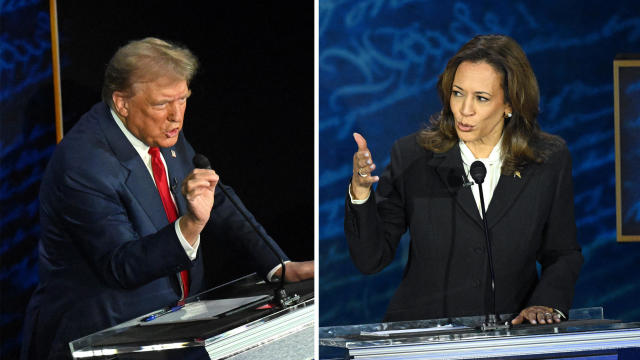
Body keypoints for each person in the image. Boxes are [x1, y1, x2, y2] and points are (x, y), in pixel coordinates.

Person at [21, 37, 313, 359]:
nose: (176, 116)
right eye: (162, 104)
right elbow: (121, 265)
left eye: (183, 99)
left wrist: (279, 267)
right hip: (104, 341)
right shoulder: (83, 164)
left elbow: (212, 196)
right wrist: (189, 225)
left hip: (177, 331)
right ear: (122, 103)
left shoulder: (159, 129)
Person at [345, 34, 583, 325]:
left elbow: (563, 252)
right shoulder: (413, 156)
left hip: (510, 337)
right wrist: (360, 193)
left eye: (481, 98)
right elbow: (372, 259)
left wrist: (546, 304)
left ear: (510, 104)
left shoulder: (547, 158)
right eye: (458, 93)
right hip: (425, 341)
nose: (464, 110)